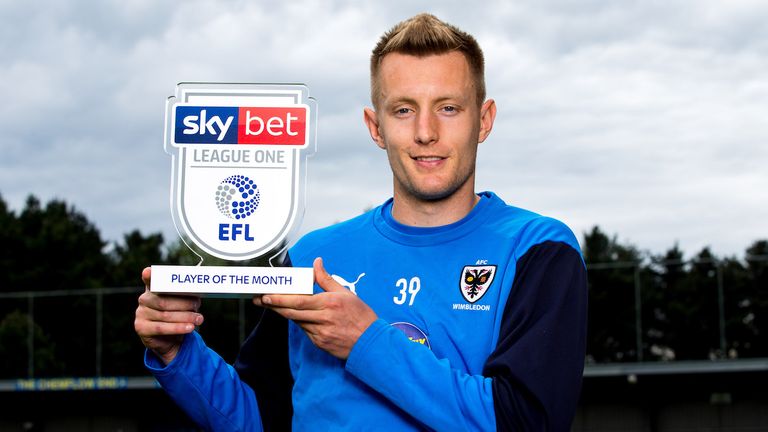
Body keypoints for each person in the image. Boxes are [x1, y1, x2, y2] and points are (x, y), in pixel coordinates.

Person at [135, 13, 587, 431]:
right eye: (404, 110)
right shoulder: (314, 258)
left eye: (448, 108)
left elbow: (526, 420)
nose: (426, 131)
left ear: (483, 120)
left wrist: (366, 342)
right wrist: (178, 352)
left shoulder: (537, 249)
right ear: (376, 127)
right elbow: (261, 418)